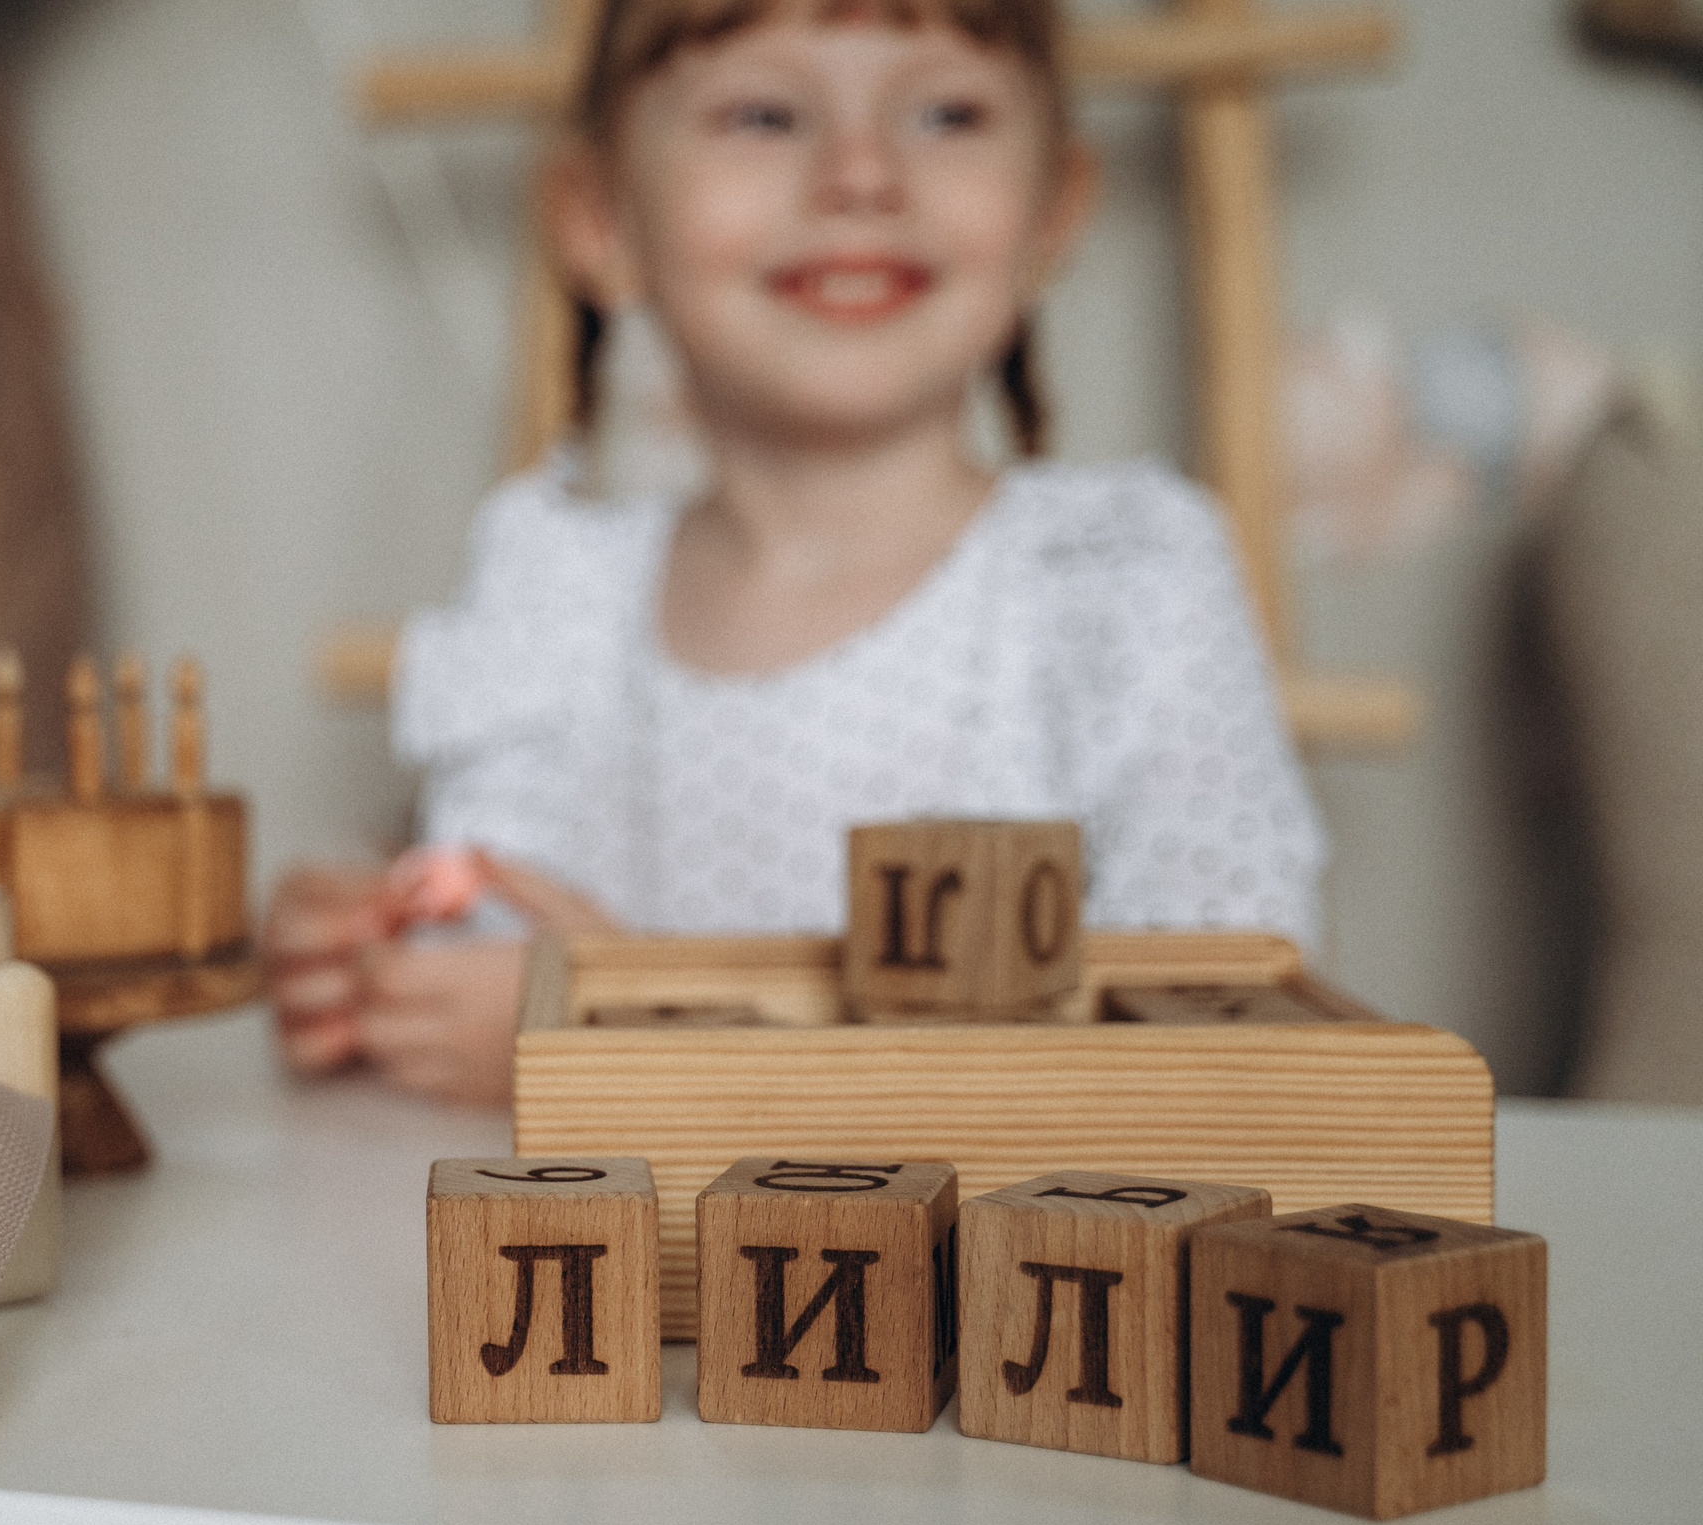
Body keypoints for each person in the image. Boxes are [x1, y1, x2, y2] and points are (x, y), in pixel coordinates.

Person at [265, 0, 1325, 1105]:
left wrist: (632, 1036)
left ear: (1055, 205)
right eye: (765, 115)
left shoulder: (1123, 583)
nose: (860, 173)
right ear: (598, 218)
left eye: (947, 113)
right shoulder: (556, 590)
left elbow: (1220, 1047)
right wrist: (373, 957)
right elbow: (496, 946)